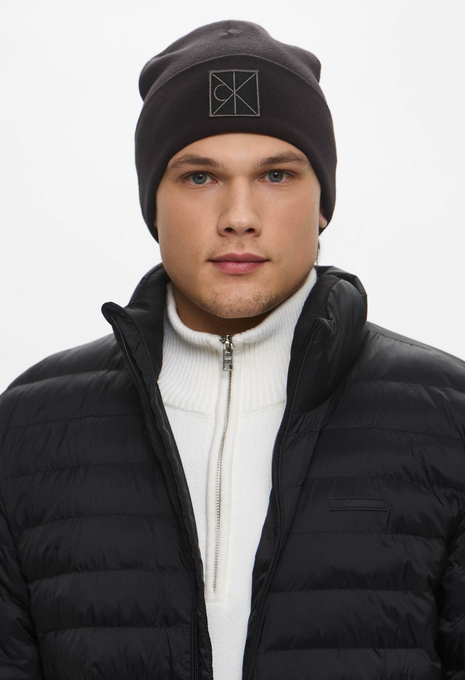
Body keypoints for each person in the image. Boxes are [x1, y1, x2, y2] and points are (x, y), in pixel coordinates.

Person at [0, 18, 464, 680]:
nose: (239, 216)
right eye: (199, 177)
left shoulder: (446, 418)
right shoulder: (28, 428)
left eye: (275, 175)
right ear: (153, 205)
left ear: (322, 203)